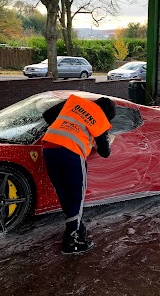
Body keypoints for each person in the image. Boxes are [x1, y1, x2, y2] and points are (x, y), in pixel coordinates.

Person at [42, 94, 116, 255]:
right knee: (76, 195)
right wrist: (96, 138)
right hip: (71, 152)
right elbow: (104, 152)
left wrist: (66, 127)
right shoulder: (100, 118)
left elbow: (47, 115)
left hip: (49, 147)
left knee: (62, 192)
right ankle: (72, 241)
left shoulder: (74, 103)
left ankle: (77, 228)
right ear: (108, 115)